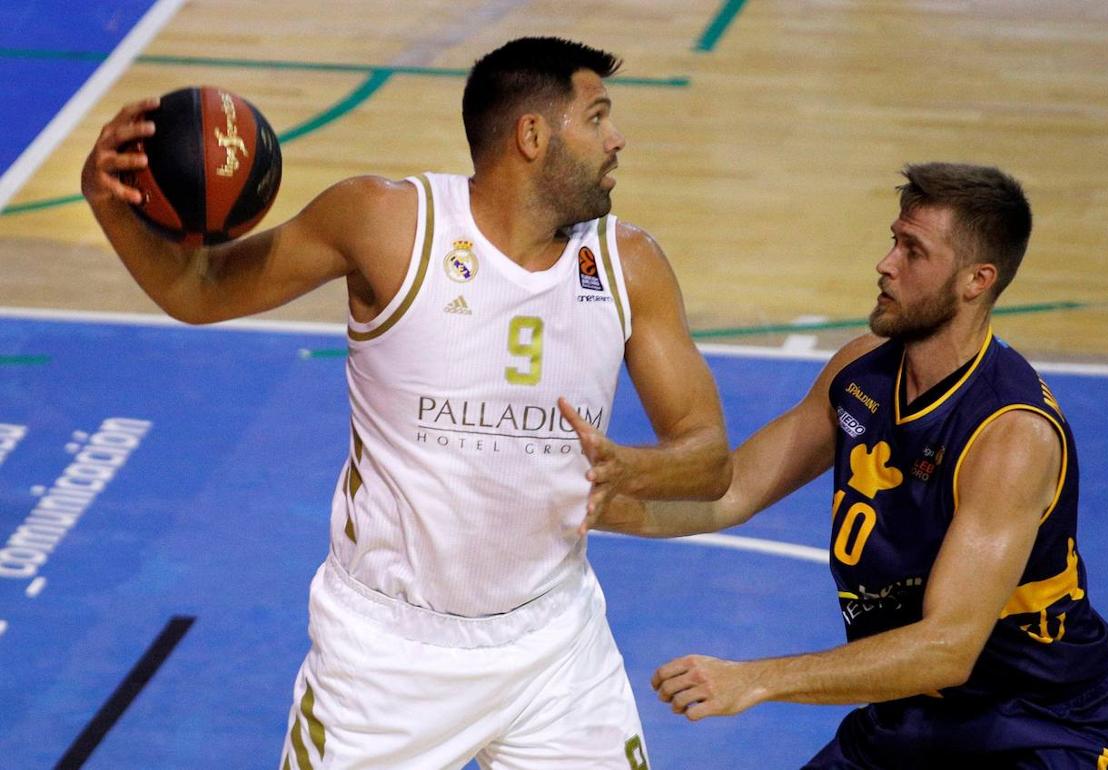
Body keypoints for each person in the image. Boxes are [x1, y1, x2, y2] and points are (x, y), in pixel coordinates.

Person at [81, 37, 731, 769]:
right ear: (531, 135)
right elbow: (200, 292)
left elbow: (710, 459)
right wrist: (110, 205)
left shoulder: (628, 264)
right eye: (597, 117)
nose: (617, 139)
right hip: (387, 657)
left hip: (554, 645)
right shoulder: (383, 223)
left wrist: (638, 469)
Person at [585, 163, 1108, 769]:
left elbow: (947, 648)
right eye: (893, 240)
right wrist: (588, 506)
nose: (885, 263)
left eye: (913, 251)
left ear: (976, 280)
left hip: (1039, 727)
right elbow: (734, 489)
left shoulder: (1010, 434)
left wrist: (756, 679)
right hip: (913, 713)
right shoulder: (861, 370)